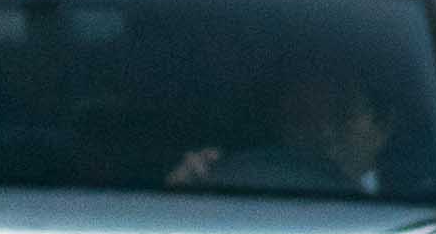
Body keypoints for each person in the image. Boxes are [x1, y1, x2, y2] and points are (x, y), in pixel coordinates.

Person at [168, 63, 402, 195]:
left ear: (383, 127)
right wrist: (182, 194)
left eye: (343, 115)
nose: (324, 131)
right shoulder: (240, 188)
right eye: (305, 116)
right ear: (283, 124)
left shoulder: (418, 208)